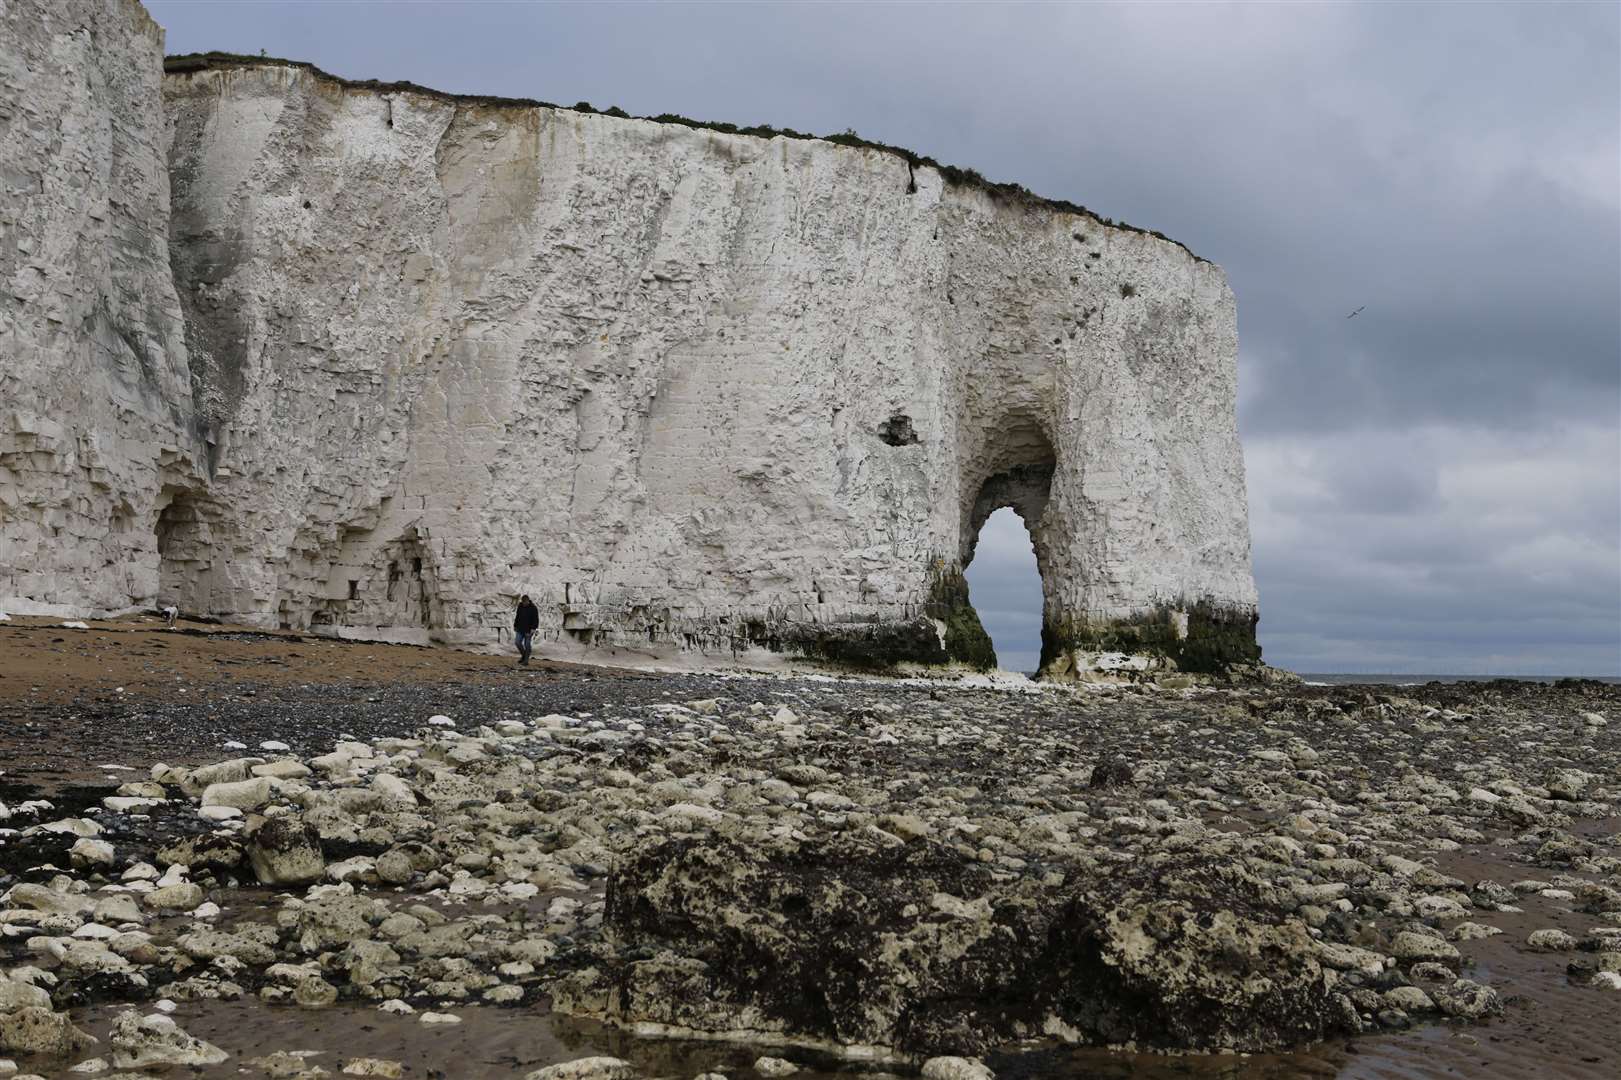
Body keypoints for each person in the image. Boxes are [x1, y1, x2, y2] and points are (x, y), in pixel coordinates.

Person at [513, 594, 539, 666]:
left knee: (527, 645)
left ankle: (526, 660)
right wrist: (515, 625)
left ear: (528, 601)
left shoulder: (533, 608)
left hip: (529, 630)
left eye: (525, 603)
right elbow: (517, 616)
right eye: (523, 602)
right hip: (520, 628)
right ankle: (524, 656)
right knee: (517, 642)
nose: (524, 604)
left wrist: (533, 629)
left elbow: (536, 620)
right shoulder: (520, 606)